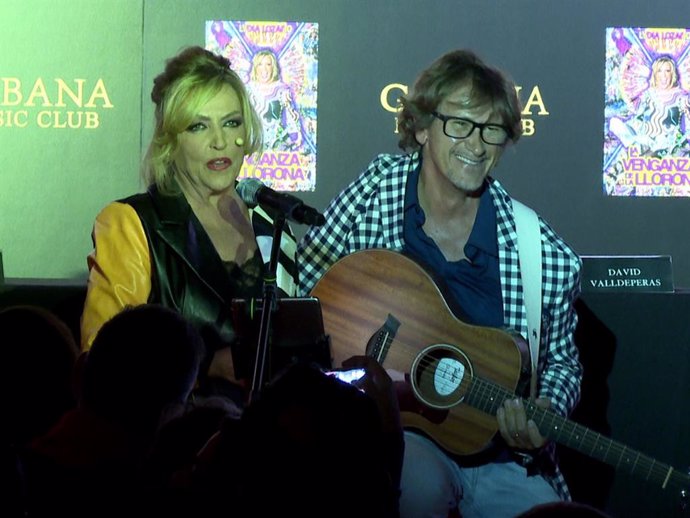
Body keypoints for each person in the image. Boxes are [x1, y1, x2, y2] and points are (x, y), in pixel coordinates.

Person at [297, 49, 583, 517]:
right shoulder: (375, 192)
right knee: (417, 492)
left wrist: (547, 409)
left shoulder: (540, 249)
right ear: (422, 127)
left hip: (501, 458)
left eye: (491, 129)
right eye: (460, 124)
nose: (477, 143)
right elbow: (308, 287)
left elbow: (563, 363)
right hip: (398, 439)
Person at [80, 46, 299, 405]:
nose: (220, 141)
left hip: (266, 441)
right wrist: (205, 366)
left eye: (231, 122)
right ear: (171, 141)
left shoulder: (271, 224)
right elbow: (104, 365)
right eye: (199, 126)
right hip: (174, 445)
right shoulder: (132, 223)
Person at [609, 55, 690, 157]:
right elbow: (637, 115)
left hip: (667, 140)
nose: (663, 76)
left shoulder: (681, 96)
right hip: (644, 137)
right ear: (655, 74)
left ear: (672, 74)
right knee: (615, 123)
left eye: (667, 71)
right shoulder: (648, 93)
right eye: (660, 71)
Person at [246, 48, 304, 151]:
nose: (264, 69)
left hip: (276, 147)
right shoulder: (247, 90)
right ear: (255, 68)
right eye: (260, 64)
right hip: (251, 145)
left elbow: (291, 118)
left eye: (268, 64)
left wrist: (295, 137)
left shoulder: (282, 90)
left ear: (273, 68)